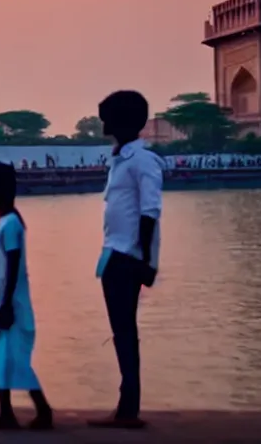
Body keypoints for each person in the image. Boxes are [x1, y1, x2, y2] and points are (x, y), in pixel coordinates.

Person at [88, 90, 165, 429]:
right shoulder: (120, 158)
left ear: (120, 121)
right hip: (113, 254)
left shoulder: (142, 161)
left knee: (125, 331)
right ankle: (125, 406)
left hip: (127, 257)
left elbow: (149, 212)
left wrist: (147, 261)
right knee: (121, 331)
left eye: (106, 117)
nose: (103, 123)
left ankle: (129, 409)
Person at [0, 162, 53, 431]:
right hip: (10, 298)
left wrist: (6, 304)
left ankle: (41, 410)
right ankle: (8, 412)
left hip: (13, 301)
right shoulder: (10, 221)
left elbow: (13, 263)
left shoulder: (10, 225)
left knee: (12, 358)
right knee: (4, 357)